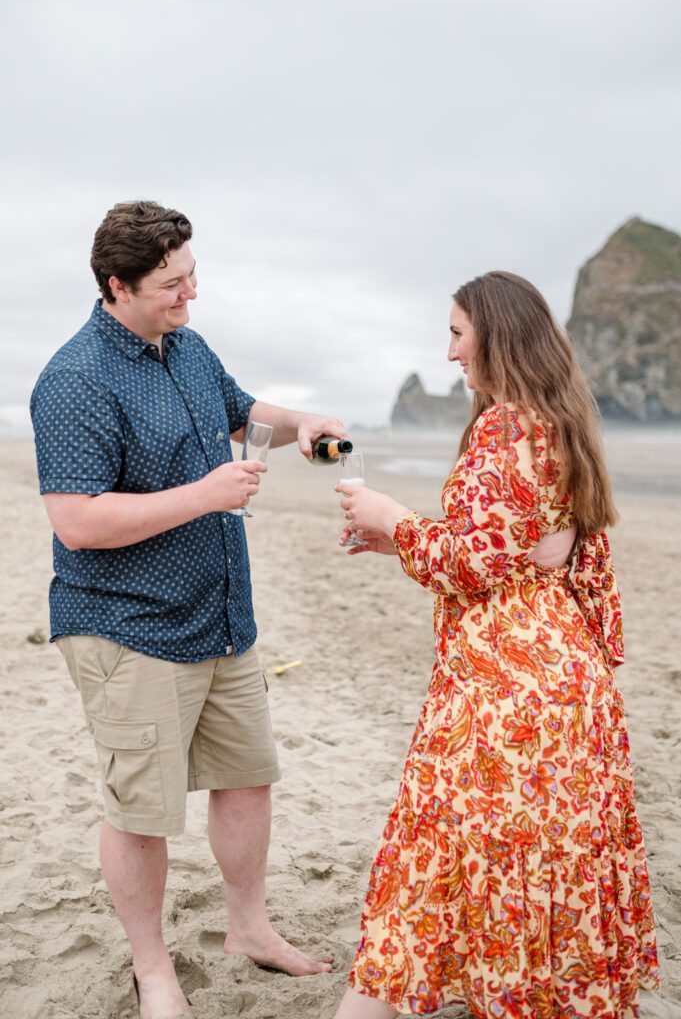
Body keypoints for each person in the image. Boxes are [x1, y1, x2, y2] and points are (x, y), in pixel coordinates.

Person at [30, 200, 346, 1019]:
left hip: (220, 618)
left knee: (247, 779)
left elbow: (244, 414)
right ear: (117, 285)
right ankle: (153, 970)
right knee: (141, 810)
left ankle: (249, 931)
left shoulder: (188, 346)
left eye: (193, 276)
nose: (190, 295)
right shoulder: (74, 380)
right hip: (126, 626)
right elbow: (77, 521)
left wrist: (300, 424)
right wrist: (204, 496)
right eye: (172, 284)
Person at [333, 272, 660, 1018]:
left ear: (495, 335)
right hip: (569, 685)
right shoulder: (562, 422)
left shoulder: (504, 425)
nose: (448, 352)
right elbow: (527, 551)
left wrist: (391, 513)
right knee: (551, 875)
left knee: (427, 864)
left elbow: (473, 562)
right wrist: (399, 542)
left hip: (501, 689)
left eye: (456, 332)